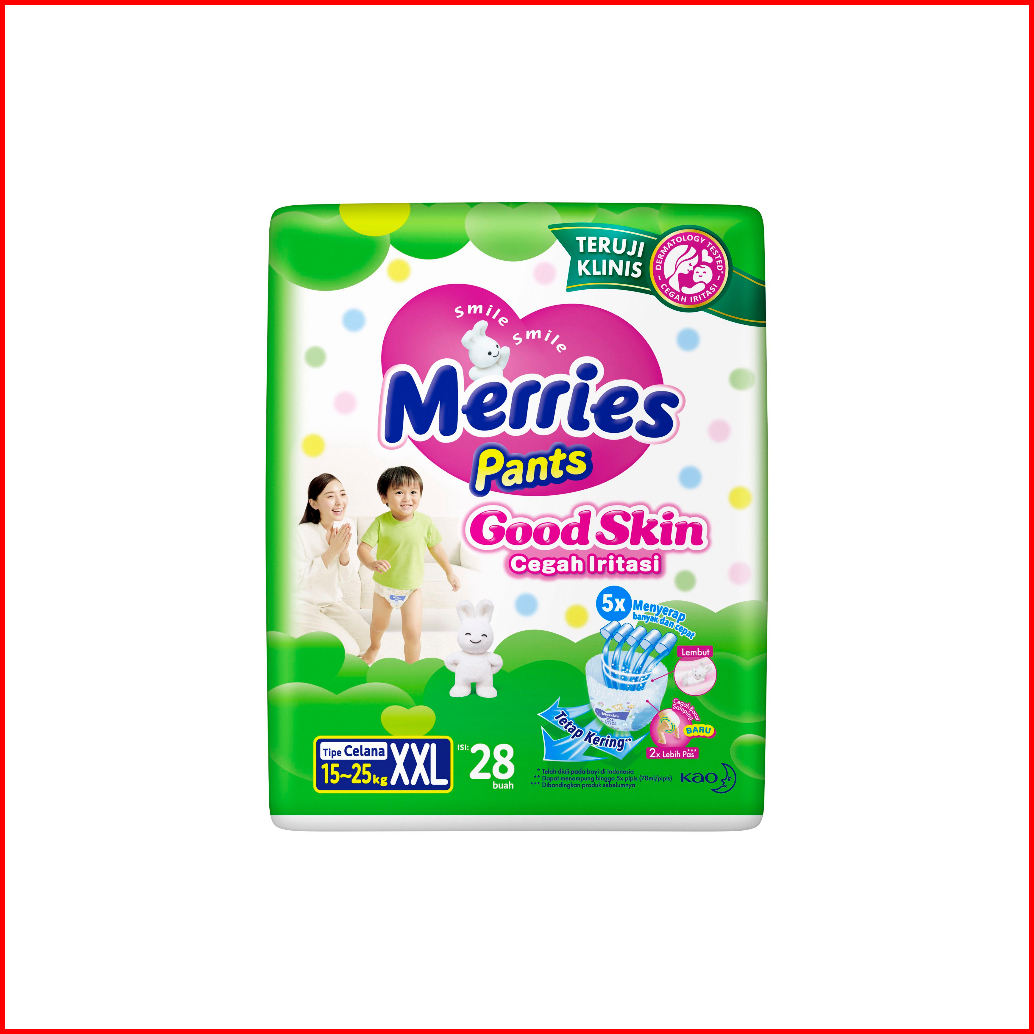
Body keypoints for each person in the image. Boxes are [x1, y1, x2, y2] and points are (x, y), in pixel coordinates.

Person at [358, 465, 459, 664]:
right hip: (383, 589)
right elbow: (362, 549)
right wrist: (371, 563)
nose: (407, 498)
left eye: (413, 492)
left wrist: (449, 572)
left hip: (412, 590)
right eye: (399, 492)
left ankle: (411, 668)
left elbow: (436, 548)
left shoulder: (425, 522)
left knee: (413, 632)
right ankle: (373, 647)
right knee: (378, 625)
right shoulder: (380, 522)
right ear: (384, 498)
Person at [293, 473, 371, 655]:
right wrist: (331, 551)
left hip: (331, 603)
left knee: (371, 643)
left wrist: (343, 551)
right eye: (330, 496)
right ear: (314, 503)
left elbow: (347, 577)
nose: (339, 502)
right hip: (300, 605)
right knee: (349, 649)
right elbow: (298, 581)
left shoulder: (346, 525)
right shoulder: (299, 533)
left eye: (342, 494)